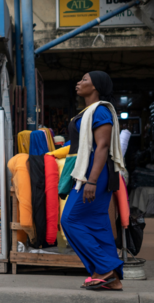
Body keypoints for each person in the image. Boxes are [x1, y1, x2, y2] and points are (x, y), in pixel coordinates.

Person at [60, 71, 126, 291]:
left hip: (93, 175)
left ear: (95, 87)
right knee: (98, 224)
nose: (79, 82)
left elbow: (102, 147)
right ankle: (113, 278)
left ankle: (105, 269)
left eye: (84, 80)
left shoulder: (100, 112)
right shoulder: (88, 112)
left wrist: (92, 181)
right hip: (88, 173)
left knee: (70, 219)